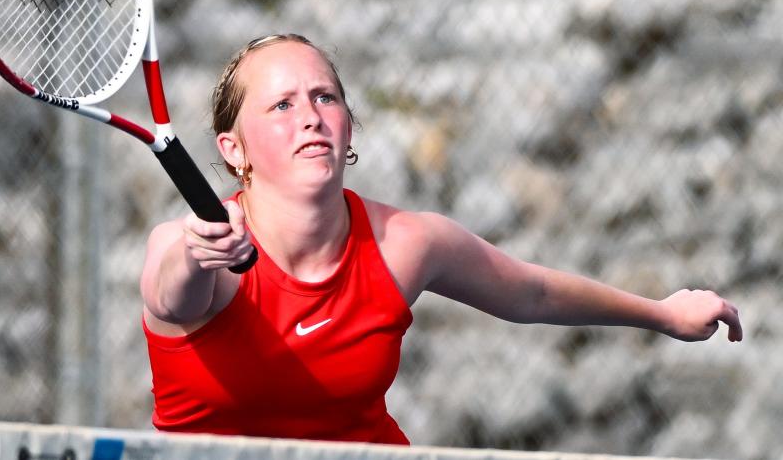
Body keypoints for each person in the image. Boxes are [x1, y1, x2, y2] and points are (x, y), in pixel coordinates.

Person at [139, 33, 743, 445]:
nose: (310, 115)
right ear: (233, 149)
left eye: (325, 96)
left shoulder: (406, 243)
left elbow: (529, 293)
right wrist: (196, 254)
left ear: (347, 124)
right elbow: (172, 295)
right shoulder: (191, 251)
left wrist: (662, 314)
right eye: (281, 104)